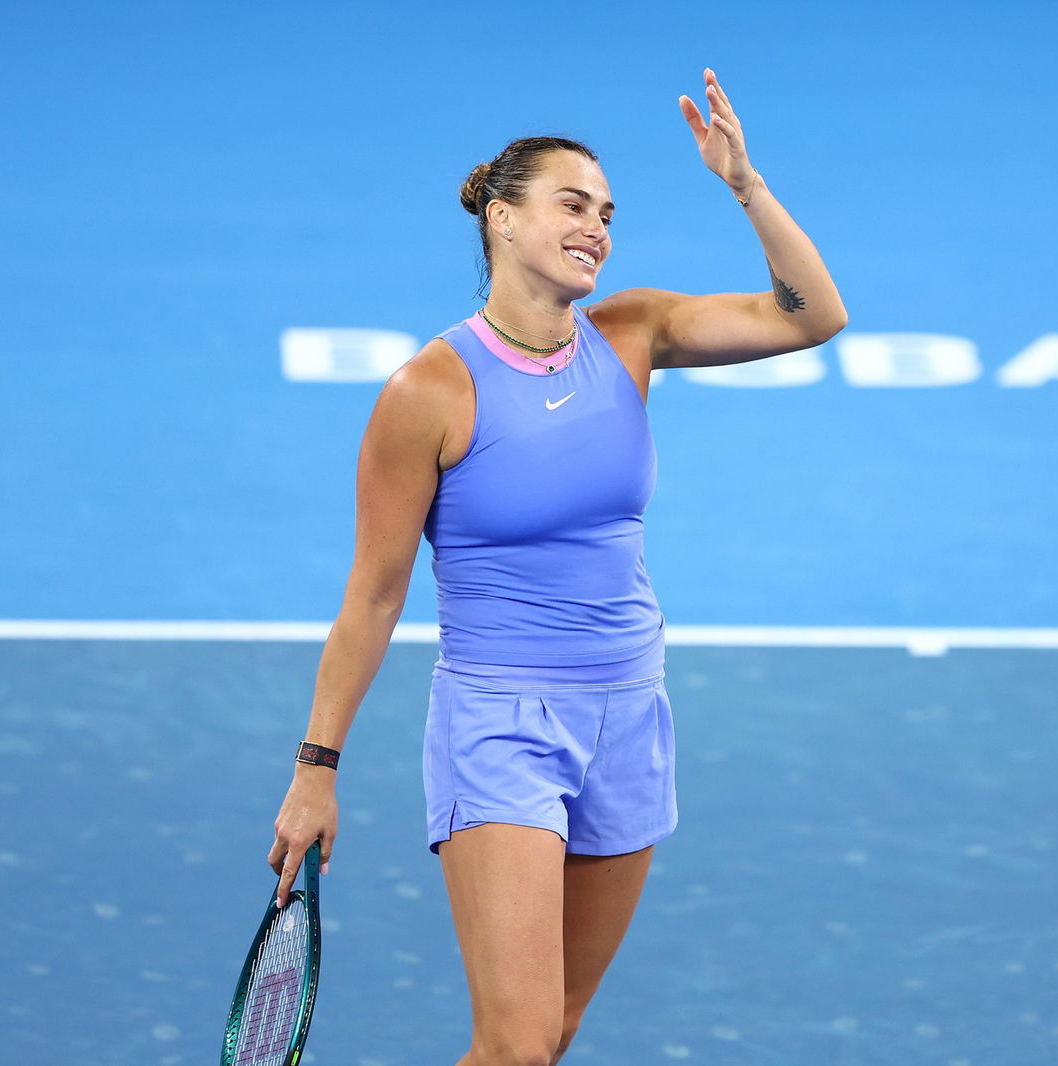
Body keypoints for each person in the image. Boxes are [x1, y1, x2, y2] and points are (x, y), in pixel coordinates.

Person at [265, 69, 847, 1066]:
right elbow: (372, 595)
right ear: (501, 217)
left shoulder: (631, 334)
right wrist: (315, 770)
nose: (597, 228)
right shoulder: (429, 389)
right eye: (572, 205)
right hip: (501, 726)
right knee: (519, 1044)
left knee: (554, 1035)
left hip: (630, 716)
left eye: (608, 214)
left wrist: (744, 185)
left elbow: (812, 316)